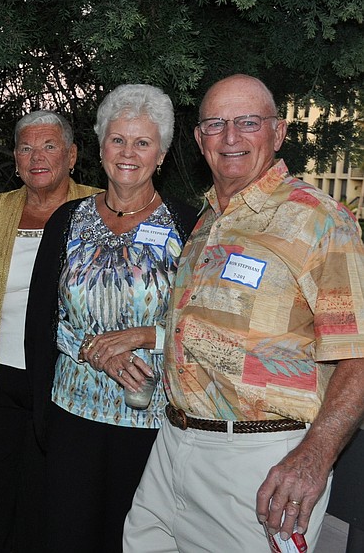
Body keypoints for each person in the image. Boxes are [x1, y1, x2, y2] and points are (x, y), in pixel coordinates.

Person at [123, 74, 364, 551]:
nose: (230, 137)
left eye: (248, 122)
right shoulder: (207, 219)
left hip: (261, 466)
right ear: (199, 139)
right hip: (173, 445)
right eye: (215, 124)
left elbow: (358, 355)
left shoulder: (320, 221)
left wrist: (313, 459)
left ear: (278, 133)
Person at [25, 85, 197, 552]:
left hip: (155, 423)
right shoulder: (67, 220)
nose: (128, 153)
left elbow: (204, 326)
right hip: (72, 414)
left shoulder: (192, 226)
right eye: (117, 140)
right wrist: (93, 351)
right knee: (67, 534)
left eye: (142, 142)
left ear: (160, 153)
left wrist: (147, 335)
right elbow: (42, 316)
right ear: (100, 148)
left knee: (133, 541)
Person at [0, 110, 100, 550]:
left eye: (50, 146)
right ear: (15, 160)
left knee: (52, 493)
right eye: (26, 147)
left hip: (68, 383)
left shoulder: (97, 209)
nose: (38, 157)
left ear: (71, 155)